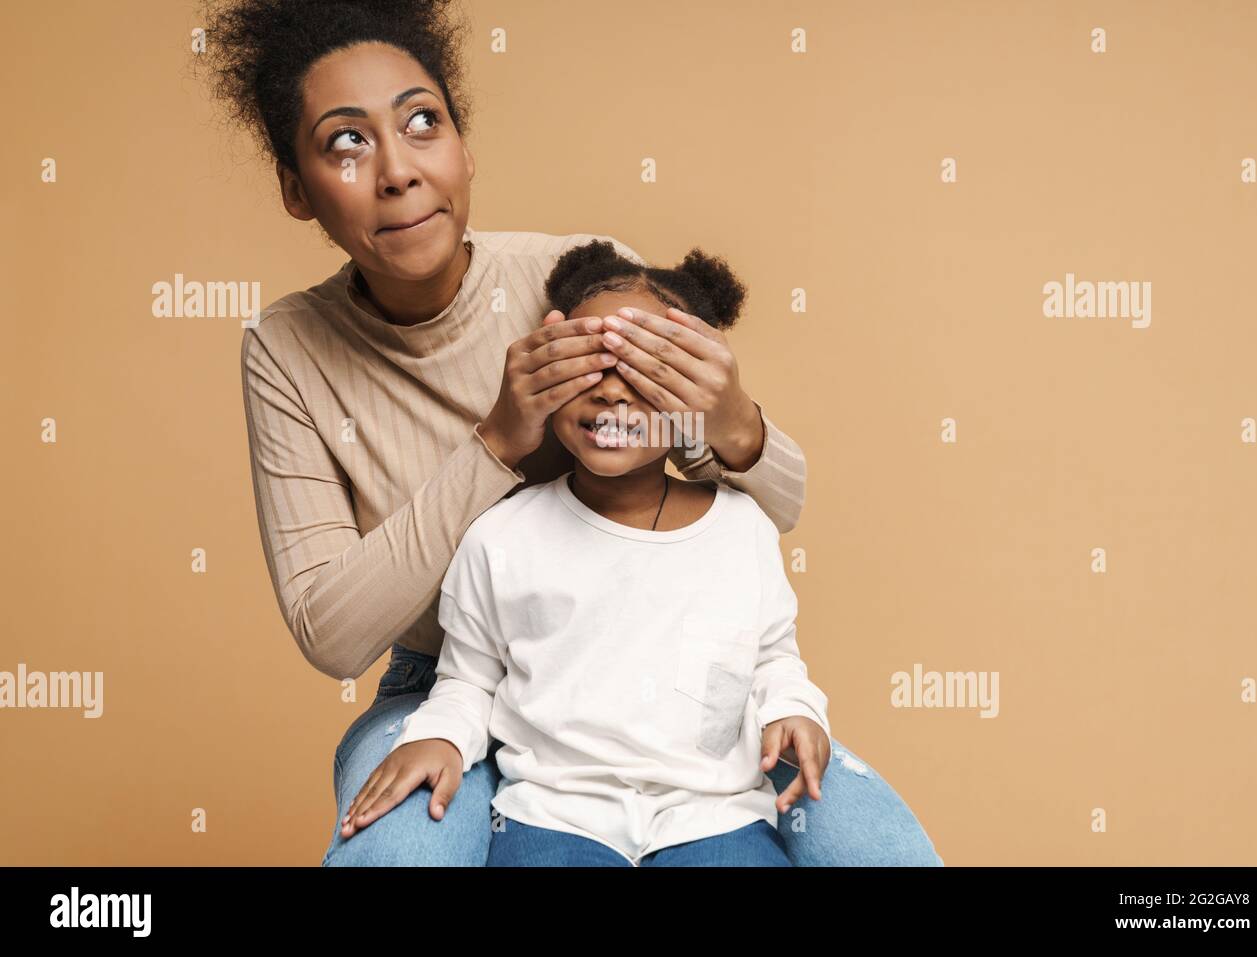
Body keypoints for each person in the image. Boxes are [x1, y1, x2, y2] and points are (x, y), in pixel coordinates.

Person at [200, 0, 942, 865]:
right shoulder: (286, 348)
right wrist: (495, 445)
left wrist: (732, 418)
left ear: (464, 148)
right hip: (453, 679)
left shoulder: (574, 276)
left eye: (422, 123)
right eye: (346, 142)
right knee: (397, 853)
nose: (398, 170)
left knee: (876, 848)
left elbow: (768, 507)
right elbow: (332, 633)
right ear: (296, 187)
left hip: (670, 687)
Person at [341, 242, 830, 866]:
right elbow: (468, 679)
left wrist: (792, 710)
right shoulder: (500, 536)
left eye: (646, 372)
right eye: (591, 365)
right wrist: (439, 737)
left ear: (694, 395)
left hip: (714, 817)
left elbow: (772, 658)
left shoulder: (742, 530)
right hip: (553, 815)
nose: (613, 396)